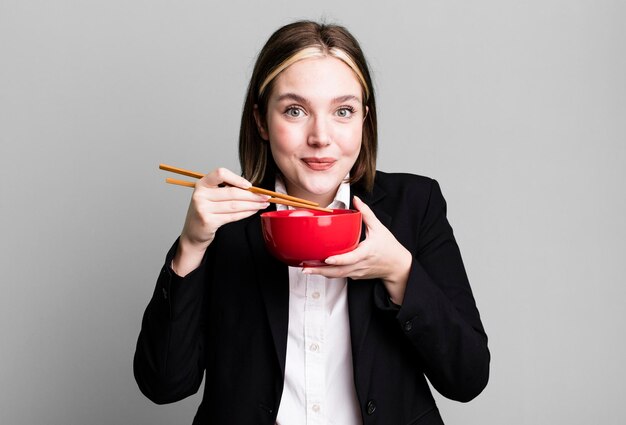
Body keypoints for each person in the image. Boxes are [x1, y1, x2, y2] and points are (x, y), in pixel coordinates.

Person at [134, 20, 490, 425]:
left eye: (343, 111)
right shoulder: (224, 220)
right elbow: (164, 385)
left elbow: (469, 378)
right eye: (295, 110)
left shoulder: (415, 206)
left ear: (363, 121)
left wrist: (399, 272)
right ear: (261, 122)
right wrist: (191, 247)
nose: (320, 136)